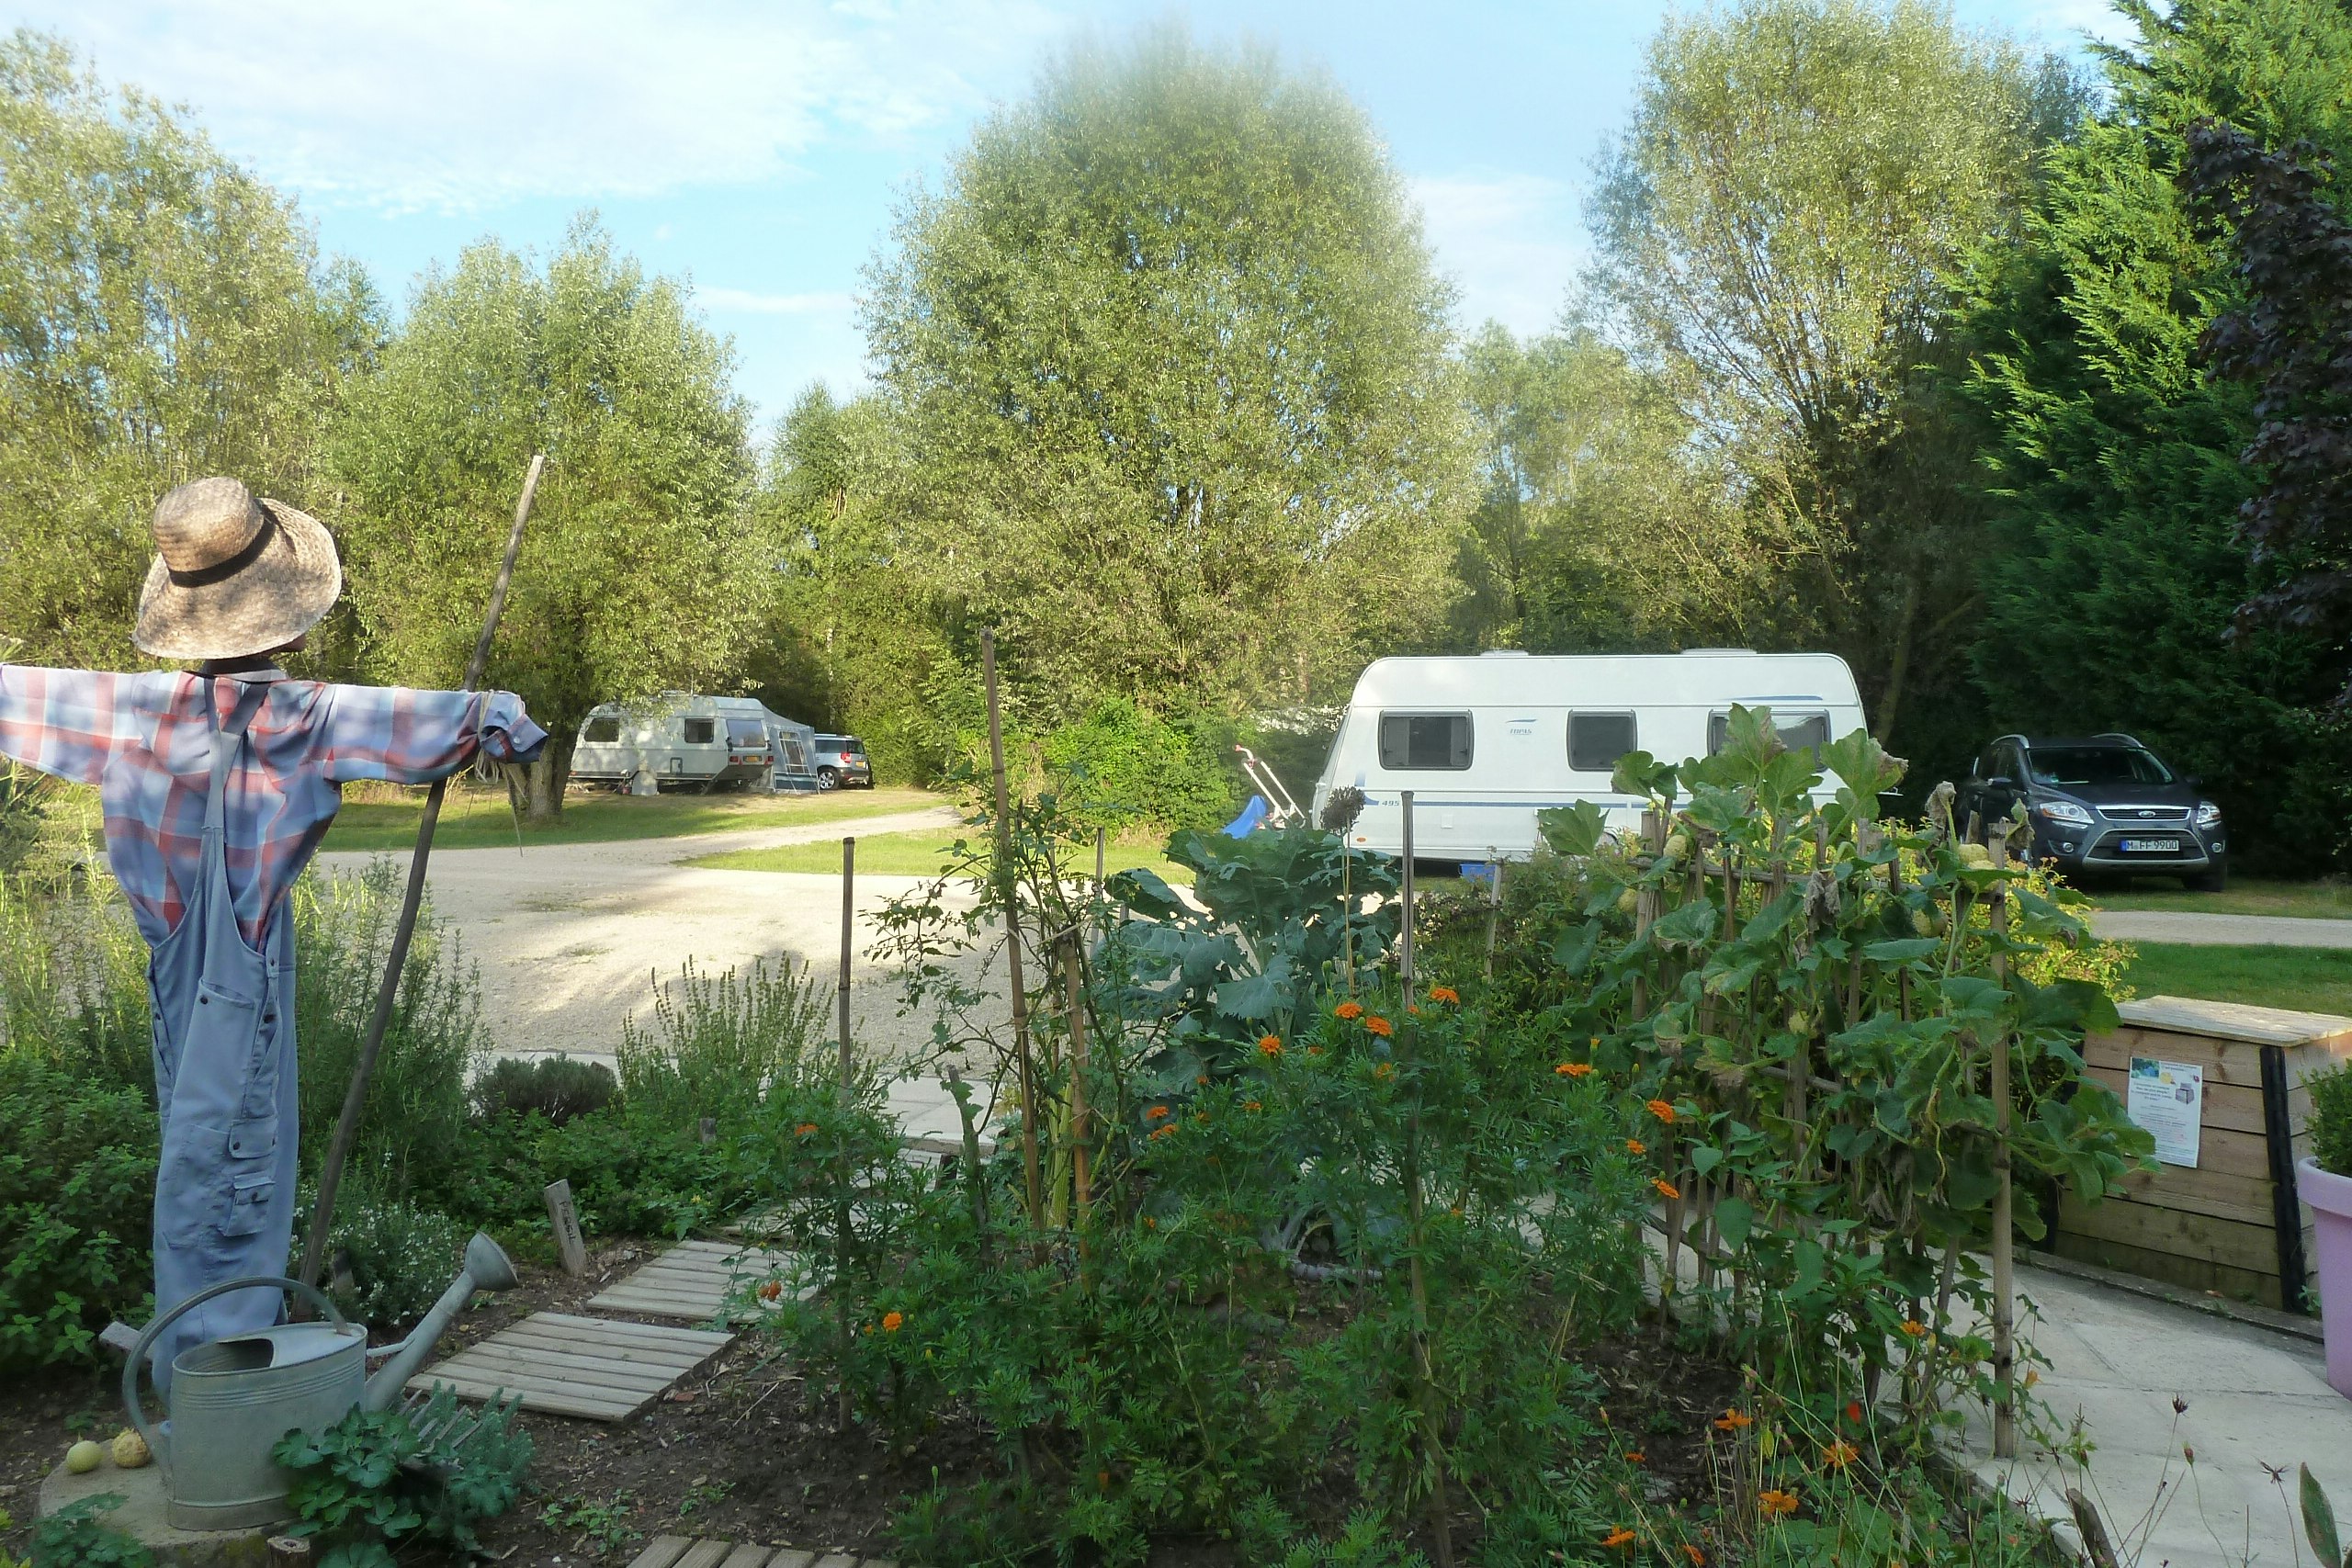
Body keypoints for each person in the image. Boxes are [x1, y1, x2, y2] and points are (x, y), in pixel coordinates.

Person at [0, 477, 546, 1392]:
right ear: (286, 624)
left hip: (174, 959)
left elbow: (18, 696)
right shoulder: (302, 718)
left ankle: (200, 1356)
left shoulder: (122, 711)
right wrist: (495, 715)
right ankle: (212, 1384)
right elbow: (449, 721)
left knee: (196, 1135)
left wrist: (481, 715)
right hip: (238, 962)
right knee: (233, 1157)